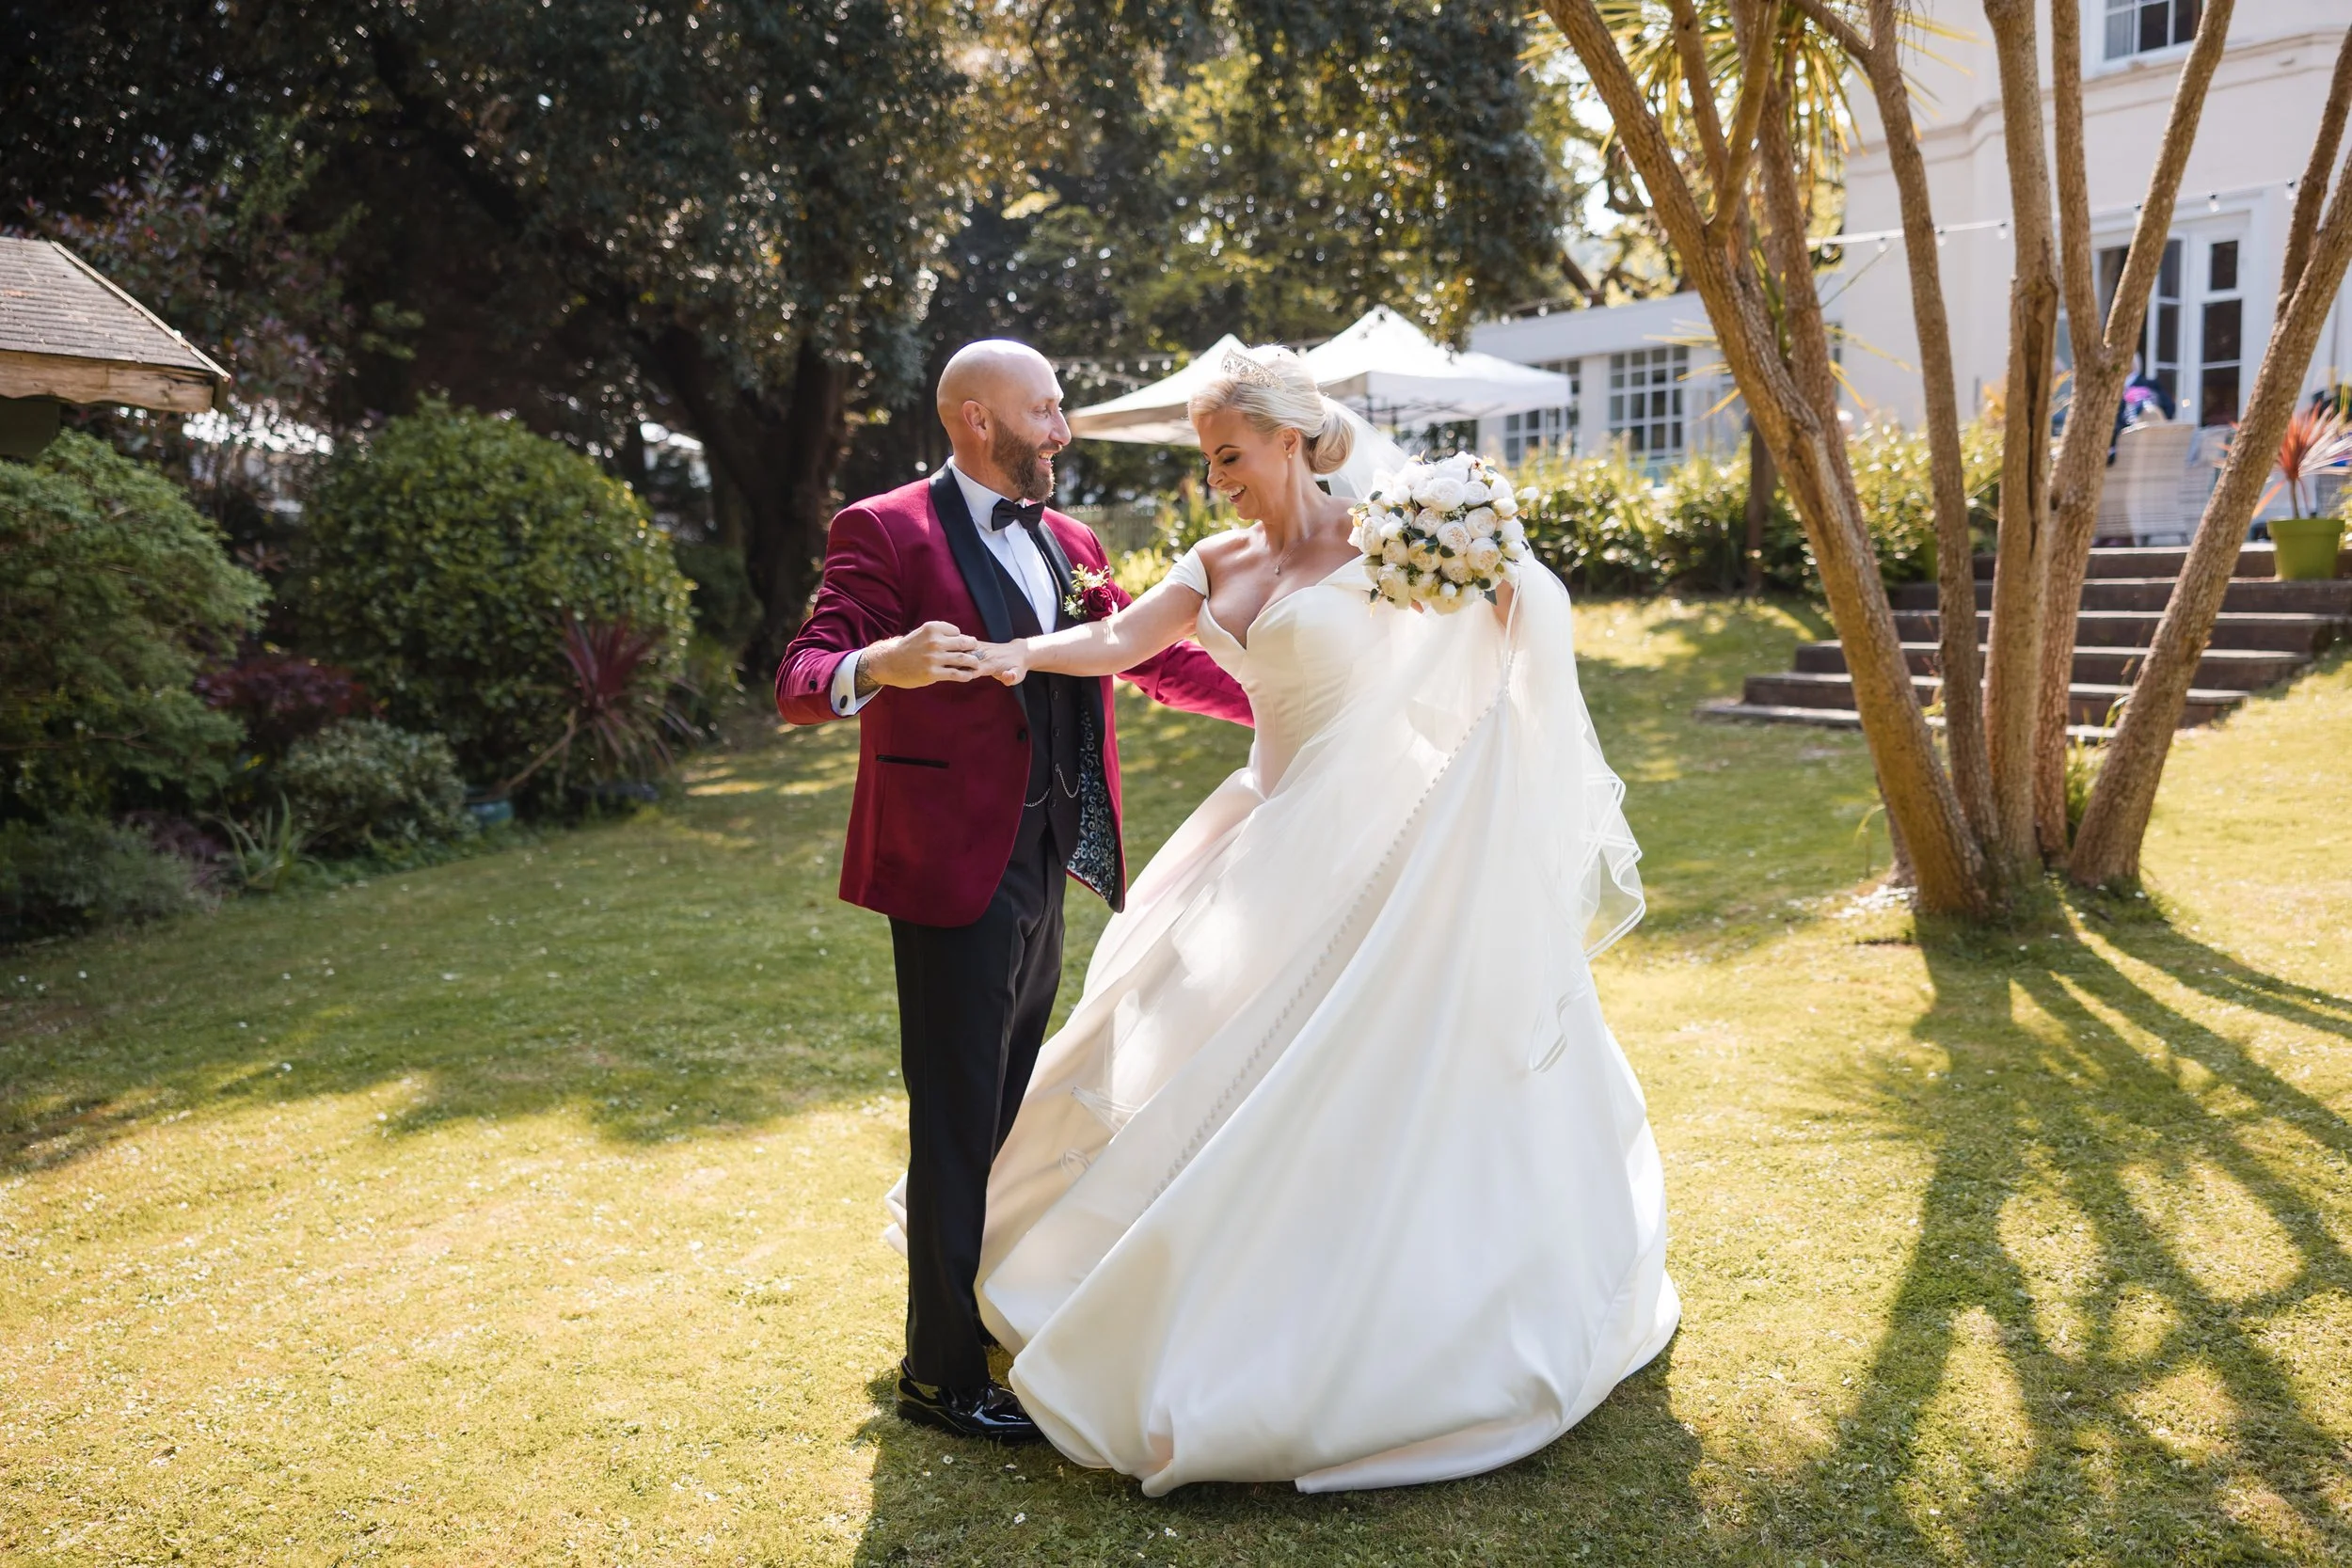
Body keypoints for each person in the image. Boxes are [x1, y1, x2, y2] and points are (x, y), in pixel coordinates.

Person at [961, 344, 1678, 1495]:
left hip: (1380, 843)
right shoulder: (1216, 559)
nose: (1219, 480)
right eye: (1207, 462)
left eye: (1230, 455)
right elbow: (1119, 640)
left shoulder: (1392, 534)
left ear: (1291, 438)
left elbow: (1511, 626)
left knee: (1362, 1063)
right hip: (1264, 828)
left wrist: (1493, 736)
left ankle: (1376, 1306)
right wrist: (1014, 653)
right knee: (1189, 1043)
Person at [773, 341, 1252, 1445]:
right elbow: (803, 673)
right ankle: (938, 1373)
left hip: (1047, 856)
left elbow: (1142, 655)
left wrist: (1282, 706)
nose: (1063, 427)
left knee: (997, 1112)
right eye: (1045, 410)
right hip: (947, 865)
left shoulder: (1073, 540)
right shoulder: (883, 528)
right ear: (977, 420)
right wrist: (879, 663)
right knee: (954, 1118)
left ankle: (975, 1309)